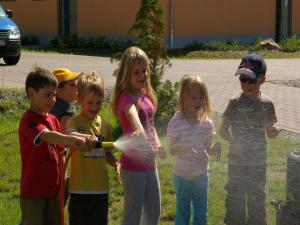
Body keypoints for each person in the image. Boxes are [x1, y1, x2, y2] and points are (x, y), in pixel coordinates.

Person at [18, 66, 91, 225]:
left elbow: (64, 138)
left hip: (53, 190)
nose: (52, 100)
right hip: (34, 193)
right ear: (31, 93)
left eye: (54, 95)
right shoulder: (29, 121)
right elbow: (49, 137)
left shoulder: (53, 120)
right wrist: (74, 142)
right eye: (47, 95)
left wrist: (87, 137)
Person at [220, 53, 282, 225]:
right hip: (236, 163)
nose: (245, 84)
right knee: (235, 204)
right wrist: (234, 142)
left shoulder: (267, 104)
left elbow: (270, 130)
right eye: (242, 79)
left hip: (258, 164)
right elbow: (222, 130)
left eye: (251, 80)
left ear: (262, 79)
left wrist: (273, 131)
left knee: (257, 205)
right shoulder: (234, 102)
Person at [110, 46, 167, 225]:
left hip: (150, 163)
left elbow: (150, 124)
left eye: (144, 70)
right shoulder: (127, 99)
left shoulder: (144, 95)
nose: (142, 75)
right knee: (132, 215)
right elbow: (133, 116)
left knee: (153, 212)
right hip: (133, 167)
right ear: (127, 74)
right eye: (136, 72)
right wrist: (138, 130)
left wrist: (158, 144)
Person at [66, 72, 120, 225]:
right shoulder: (73, 122)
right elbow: (69, 135)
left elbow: (107, 154)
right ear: (79, 100)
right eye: (90, 102)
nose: (95, 107)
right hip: (78, 190)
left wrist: (116, 164)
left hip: (100, 190)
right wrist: (84, 138)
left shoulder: (105, 126)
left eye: (98, 102)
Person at [167, 74, 218, 225]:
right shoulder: (177, 121)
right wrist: (183, 147)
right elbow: (171, 149)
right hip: (182, 176)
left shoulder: (207, 123)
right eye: (193, 97)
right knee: (183, 213)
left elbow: (208, 147)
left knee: (201, 213)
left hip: (201, 175)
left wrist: (214, 149)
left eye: (201, 97)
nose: (198, 101)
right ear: (183, 98)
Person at [50, 68, 81, 133]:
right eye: (72, 84)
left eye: (76, 83)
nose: (77, 86)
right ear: (59, 89)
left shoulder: (50, 104)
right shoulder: (67, 111)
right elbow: (67, 135)